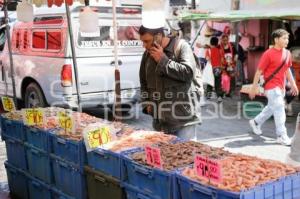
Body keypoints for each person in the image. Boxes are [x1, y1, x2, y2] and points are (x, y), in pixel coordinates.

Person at [138, 25, 201, 140]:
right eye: (142, 42)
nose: (144, 45)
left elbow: (188, 73)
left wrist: (162, 60)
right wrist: (147, 103)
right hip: (160, 122)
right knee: (164, 157)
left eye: (147, 41)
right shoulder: (147, 55)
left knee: (186, 156)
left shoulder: (182, 47)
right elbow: (143, 82)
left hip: (183, 121)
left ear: (158, 36)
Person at [248, 29, 299, 146]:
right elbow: (259, 71)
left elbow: (287, 70)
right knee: (280, 108)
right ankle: (281, 135)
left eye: (287, 38)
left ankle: (256, 122)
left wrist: (293, 84)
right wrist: (253, 88)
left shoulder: (287, 53)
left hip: (280, 87)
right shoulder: (268, 54)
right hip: (271, 87)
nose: (287, 40)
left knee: (272, 108)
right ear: (276, 40)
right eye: (284, 38)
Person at [205, 36, 223, 102]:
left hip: (211, 69)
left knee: (210, 82)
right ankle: (219, 97)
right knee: (218, 83)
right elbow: (221, 59)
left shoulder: (208, 50)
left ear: (210, 43)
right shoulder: (219, 50)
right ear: (217, 43)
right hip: (218, 68)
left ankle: (208, 96)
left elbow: (207, 59)